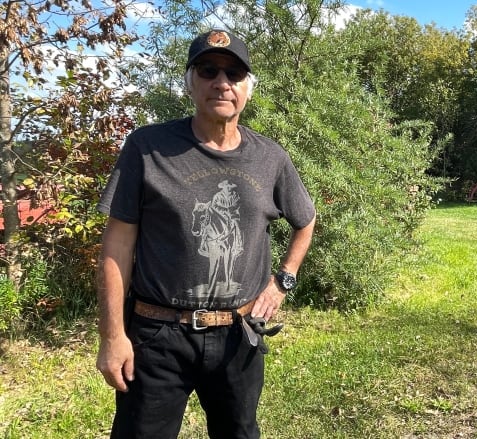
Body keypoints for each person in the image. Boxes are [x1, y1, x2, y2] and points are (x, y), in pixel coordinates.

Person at [95, 28, 316, 439]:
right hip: (157, 335)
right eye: (209, 70)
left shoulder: (270, 157)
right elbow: (117, 246)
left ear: (247, 88)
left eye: (234, 74)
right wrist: (112, 337)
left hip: (240, 335)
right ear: (190, 82)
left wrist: (282, 281)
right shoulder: (147, 147)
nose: (222, 83)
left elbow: (305, 220)